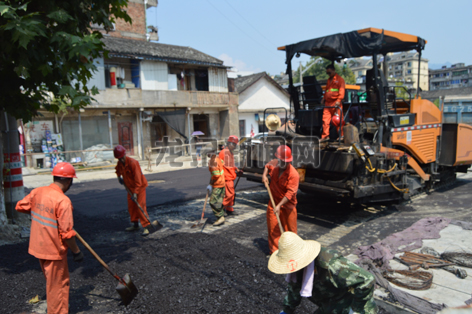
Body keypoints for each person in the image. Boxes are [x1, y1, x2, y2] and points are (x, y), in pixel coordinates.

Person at [15, 162, 84, 314]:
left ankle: (57, 306)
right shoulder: (63, 201)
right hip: (54, 250)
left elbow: (20, 206)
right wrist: (77, 251)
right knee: (59, 285)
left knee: (52, 283)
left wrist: (43, 213)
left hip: (39, 246)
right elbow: (67, 234)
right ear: (68, 181)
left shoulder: (38, 192)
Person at [269, 232, 378, 314]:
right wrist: (287, 310)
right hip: (331, 302)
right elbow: (295, 287)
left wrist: (357, 310)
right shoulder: (297, 270)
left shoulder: (331, 264)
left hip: (353, 303)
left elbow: (367, 279)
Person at [262, 145, 299, 254]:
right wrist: (264, 176)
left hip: (287, 206)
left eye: (287, 162)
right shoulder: (275, 163)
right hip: (273, 203)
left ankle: (291, 253)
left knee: (290, 231)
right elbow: (267, 166)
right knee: (273, 228)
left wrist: (279, 205)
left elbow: (290, 194)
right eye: (282, 161)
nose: (284, 164)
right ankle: (275, 252)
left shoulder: (293, 174)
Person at [114, 145, 150, 236]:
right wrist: (119, 177)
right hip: (130, 188)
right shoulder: (120, 163)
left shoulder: (133, 163)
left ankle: (146, 226)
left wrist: (135, 193)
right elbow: (118, 170)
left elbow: (138, 181)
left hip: (139, 187)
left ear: (124, 155)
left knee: (140, 206)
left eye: (122, 158)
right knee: (132, 206)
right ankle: (135, 225)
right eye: (119, 158)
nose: (121, 160)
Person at [218, 135, 243, 215]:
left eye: (236, 145)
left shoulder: (230, 153)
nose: (235, 147)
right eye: (234, 145)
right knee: (229, 194)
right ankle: (220, 209)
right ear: (229, 144)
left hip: (230, 176)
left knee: (232, 195)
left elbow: (231, 164)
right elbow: (218, 165)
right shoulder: (223, 153)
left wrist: (237, 169)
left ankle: (229, 209)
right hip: (226, 177)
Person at [321, 64, 345, 141]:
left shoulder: (340, 80)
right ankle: (325, 137)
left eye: (330, 72)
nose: (328, 74)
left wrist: (338, 100)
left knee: (338, 120)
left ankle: (341, 136)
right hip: (328, 103)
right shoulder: (329, 80)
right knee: (325, 120)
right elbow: (327, 90)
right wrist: (323, 98)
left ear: (334, 71)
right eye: (327, 73)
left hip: (335, 103)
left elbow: (342, 91)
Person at [207, 152, 226, 226]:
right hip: (222, 183)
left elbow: (216, 175)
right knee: (219, 201)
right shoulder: (218, 159)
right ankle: (222, 214)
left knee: (213, 202)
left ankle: (220, 217)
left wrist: (211, 184)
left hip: (217, 184)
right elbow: (222, 164)